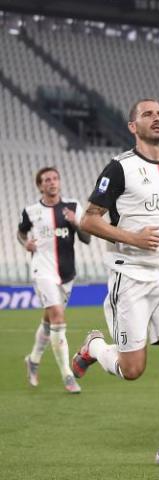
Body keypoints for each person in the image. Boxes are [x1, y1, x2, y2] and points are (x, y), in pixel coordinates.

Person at [71, 98, 159, 468]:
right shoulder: (119, 168)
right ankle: (95, 346)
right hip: (130, 276)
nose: (157, 118)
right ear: (133, 126)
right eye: (148, 114)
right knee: (132, 370)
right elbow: (89, 220)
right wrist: (132, 238)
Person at [19, 166, 90, 393]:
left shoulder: (73, 207)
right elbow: (21, 233)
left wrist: (76, 223)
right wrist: (25, 244)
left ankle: (33, 360)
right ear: (40, 186)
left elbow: (87, 239)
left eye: (55, 178)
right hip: (43, 270)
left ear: (59, 182)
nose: (51, 182)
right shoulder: (30, 211)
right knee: (58, 319)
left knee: (49, 321)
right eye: (46, 180)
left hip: (67, 273)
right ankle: (68, 376)